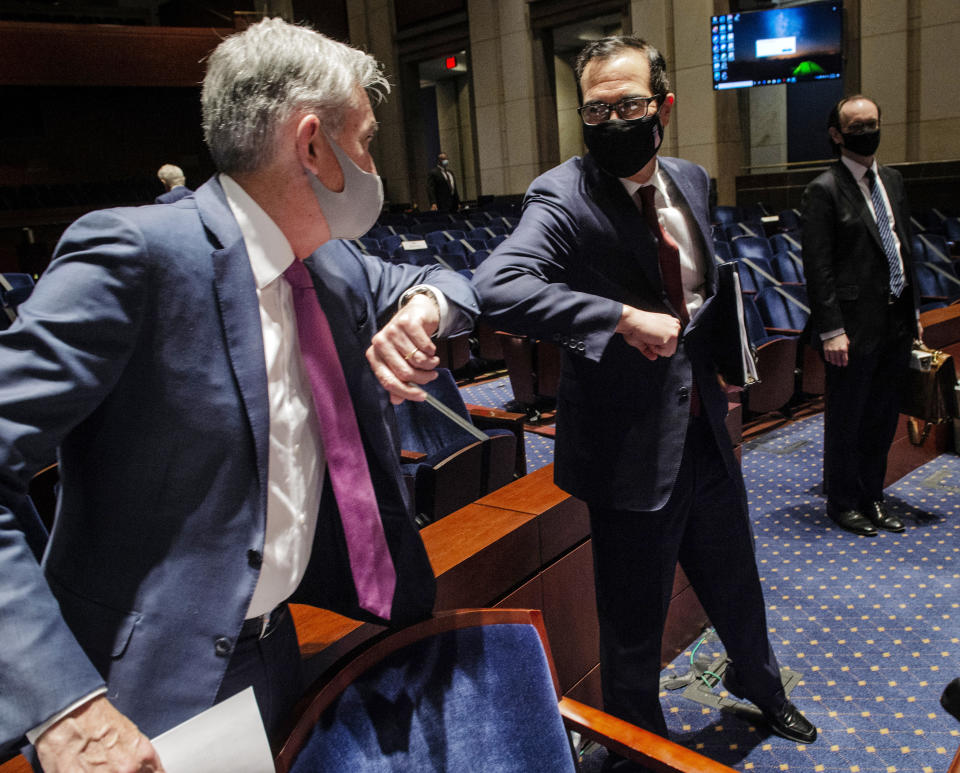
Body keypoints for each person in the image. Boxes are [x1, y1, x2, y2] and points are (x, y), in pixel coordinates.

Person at [0, 18, 480, 772]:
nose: (372, 164)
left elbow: (451, 282)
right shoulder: (137, 255)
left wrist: (424, 310)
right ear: (314, 145)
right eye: (366, 141)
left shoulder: (332, 268)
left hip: (276, 648)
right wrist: (64, 707)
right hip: (135, 692)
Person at [473, 36, 816, 770]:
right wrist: (618, 317)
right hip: (627, 449)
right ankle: (639, 751)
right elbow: (497, 286)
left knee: (736, 578)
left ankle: (764, 687)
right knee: (632, 625)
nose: (611, 120)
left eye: (627, 104)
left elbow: (697, 285)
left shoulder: (690, 179)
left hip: (706, 429)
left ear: (662, 106)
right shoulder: (561, 193)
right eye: (595, 109)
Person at [801, 95, 920, 537]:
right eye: (857, 125)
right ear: (837, 134)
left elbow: (902, 247)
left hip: (895, 321)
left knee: (882, 417)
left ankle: (873, 497)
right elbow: (819, 267)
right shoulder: (824, 189)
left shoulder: (892, 179)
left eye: (873, 122)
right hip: (850, 329)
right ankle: (843, 502)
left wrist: (916, 313)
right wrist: (832, 329)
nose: (868, 131)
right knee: (848, 419)